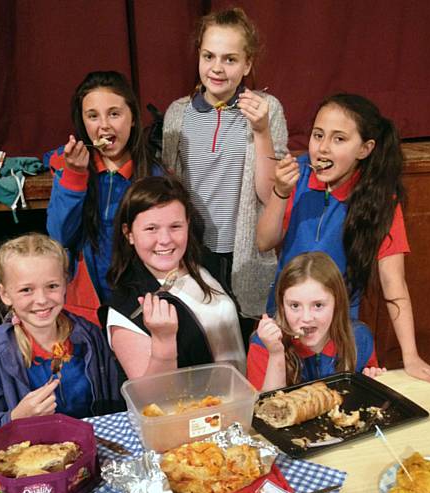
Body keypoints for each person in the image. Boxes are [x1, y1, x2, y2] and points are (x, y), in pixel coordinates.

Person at [257, 93, 430, 384]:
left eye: (339, 139)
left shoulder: (380, 202)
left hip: (339, 332)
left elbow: (394, 283)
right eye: (318, 135)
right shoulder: (296, 176)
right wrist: (280, 191)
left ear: (365, 149)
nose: (323, 148)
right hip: (286, 322)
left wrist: (411, 355)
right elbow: (264, 242)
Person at [162, 7, 288, 318]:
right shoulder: (177, 114)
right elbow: (169, 191)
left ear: (247, 64)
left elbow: (267, 193)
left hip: (242, 253)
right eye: (209, 56)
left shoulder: (266, 109)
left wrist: (260, 131)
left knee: (245, 339)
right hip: (191, 251)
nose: (217, 68)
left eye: (230, 59)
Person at [0, 233, 122, 436]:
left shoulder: (90, 336)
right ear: (5, 295)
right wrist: (15, 418)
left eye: (52, 286)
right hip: (28, 456)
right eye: (26, 290)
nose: (41, 300)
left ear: (65, 284)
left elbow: (114, 407)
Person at [46, 70, 162, 325]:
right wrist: (75, 176)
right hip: (87, 304)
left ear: (132, 118)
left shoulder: (154, 174)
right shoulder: (72, 170)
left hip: (141, 303)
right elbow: (59, 237)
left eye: (114, 113)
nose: (104, 125)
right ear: (83, 123)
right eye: (93, 116)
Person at [106, 175, 245, 379]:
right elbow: (148, 397)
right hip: (201, 408)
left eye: (175, 226)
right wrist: (164, 340)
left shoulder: (209, 264)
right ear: (129, 234)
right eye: (151, 229)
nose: (165, 240)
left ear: (188, 224)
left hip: (243, 400)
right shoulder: (127, 307)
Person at [247, 252, 383, 391]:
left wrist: (373, 383)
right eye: (295, 306)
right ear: (282, 306)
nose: (306, 318)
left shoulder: (359, 338)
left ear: (337, 303)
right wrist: (276, 354)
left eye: (318, 305)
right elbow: (266, 409)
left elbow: (370, 391)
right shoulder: (264, 344)